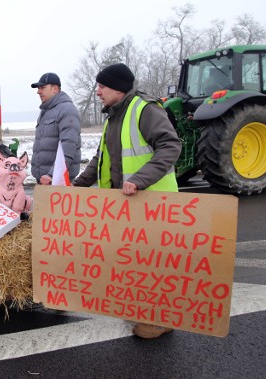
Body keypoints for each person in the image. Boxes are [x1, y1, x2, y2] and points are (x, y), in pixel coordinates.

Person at [72, 63, 182, 338]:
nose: (97, 92)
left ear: (118, 88)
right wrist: (78, 186)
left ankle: (160, 319)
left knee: (154, 264)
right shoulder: (113, 116)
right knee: (133, 263)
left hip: (153, 203)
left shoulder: (145, 109)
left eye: (102, 86)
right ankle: (141, 309)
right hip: (126, 205)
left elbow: (171, 145)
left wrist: (141, 179)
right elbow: (101, 159)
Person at [30, 72, 81, 185]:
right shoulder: (45, 111)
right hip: (45, 182)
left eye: (42, 87)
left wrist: (52, 174)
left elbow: (68, 147)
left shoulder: (67, 110)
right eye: (38, 88)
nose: (38, 91)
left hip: (58, 181)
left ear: (55, 89)